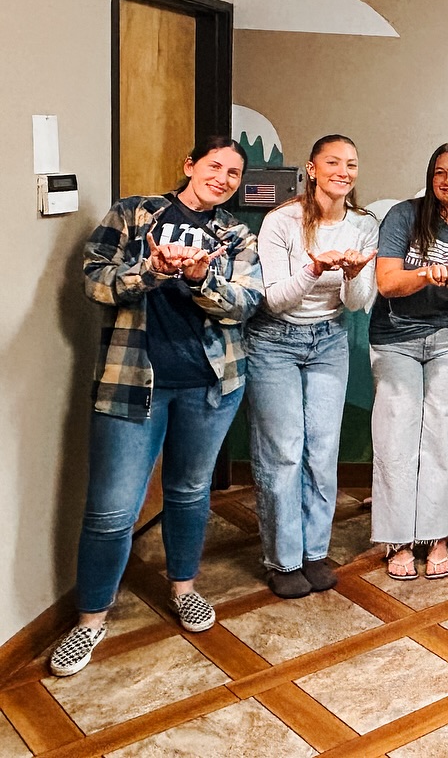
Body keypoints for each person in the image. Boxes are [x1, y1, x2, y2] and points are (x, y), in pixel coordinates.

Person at [50, 139, 263, 677]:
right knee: (112, 510)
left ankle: (184, 587)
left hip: (212, 384)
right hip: (130, 382)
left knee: (189, 492)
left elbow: (245, 303)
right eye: (214, 166)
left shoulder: (235, 234)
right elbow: (94, 282)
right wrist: (152, 271)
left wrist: (197, 278)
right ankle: (91, 619)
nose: (223, 178)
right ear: (189, 165)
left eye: (234, 173)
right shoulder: (134, 213)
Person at [248, 135, 378, 598]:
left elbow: (358, 305)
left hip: (328, 341)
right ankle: (282, 559)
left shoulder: (363, 225)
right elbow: (276, 301)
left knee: (322, 451)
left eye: (352, 164)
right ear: (312, 168)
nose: (343, 171)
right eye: (334, 163)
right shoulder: (281, 221)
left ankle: (314, 552)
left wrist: (354, 274)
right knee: (283, 450)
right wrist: (314, 268)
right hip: (274, 342)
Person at [370, 144, 448, 581]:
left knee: (444, 438)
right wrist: (428, 271)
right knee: (395, 437)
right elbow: (386, 282)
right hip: (395, 340)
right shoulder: (405, 216)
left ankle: (439, 536)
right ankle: (398, 538)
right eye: (439, 172)